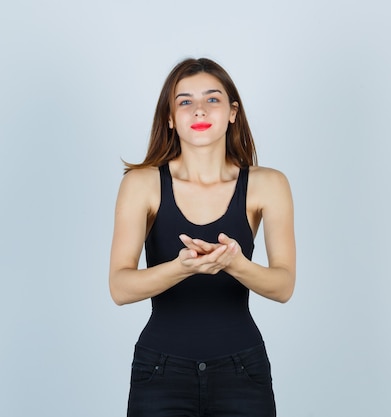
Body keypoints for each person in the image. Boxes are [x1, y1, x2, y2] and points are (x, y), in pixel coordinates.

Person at [109, 57, 296, 417]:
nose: (199, 110)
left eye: (212, 99)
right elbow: (120, 287)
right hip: (160, 371)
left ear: (232, 112)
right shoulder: (142, 184)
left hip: (243, 370)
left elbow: (283, 285)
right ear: (169, 116)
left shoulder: (268, 184)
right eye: (185, 101)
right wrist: (182, 268)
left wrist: (236, 264)